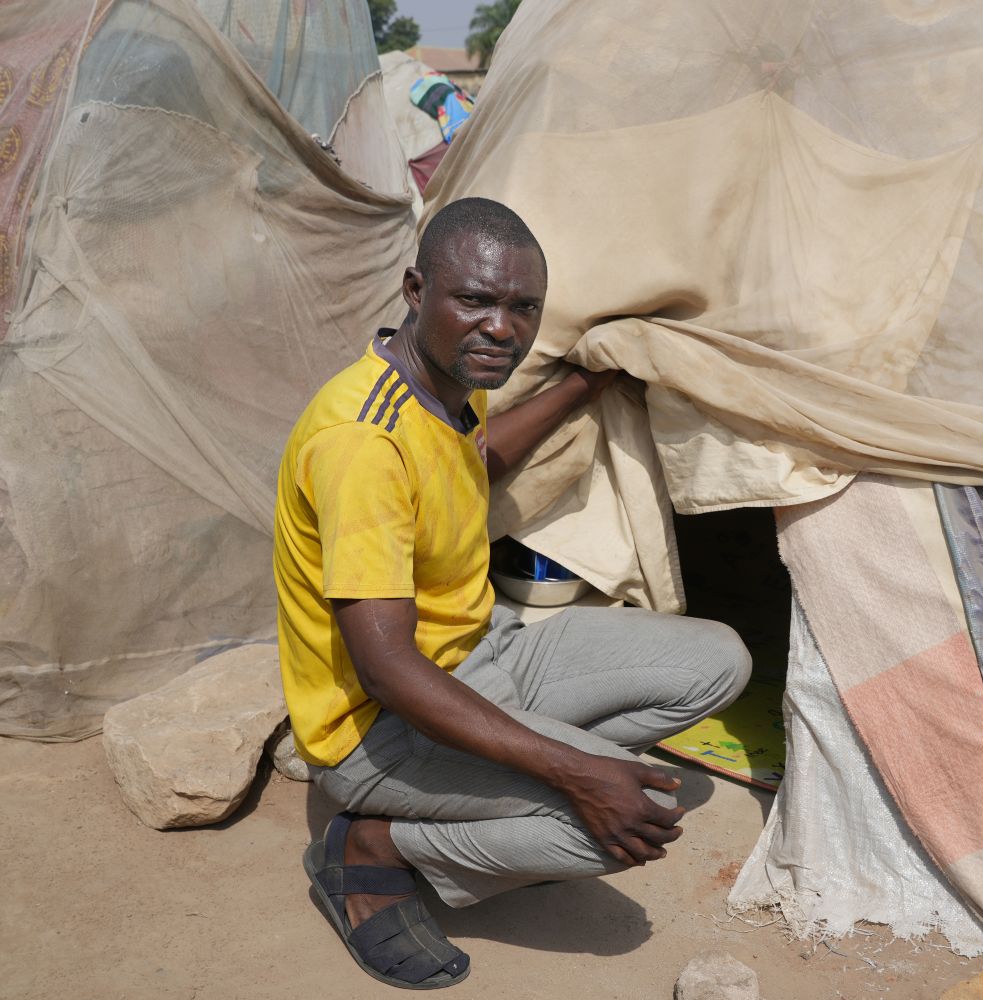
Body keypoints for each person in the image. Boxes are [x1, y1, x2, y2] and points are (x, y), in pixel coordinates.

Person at [272, 197, 752, 989]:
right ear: (416, 289)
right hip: (375, 723)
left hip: (476, 648)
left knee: (719, 662)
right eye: (476, 301)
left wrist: (584, 387)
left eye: (523, 307)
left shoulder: (444, 381)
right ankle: (375, 844)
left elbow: (473, 459)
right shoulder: (360, 444)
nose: (502, 328)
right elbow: (388, 670)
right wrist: (573, 771)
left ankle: (508, 790)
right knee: (616, 826)